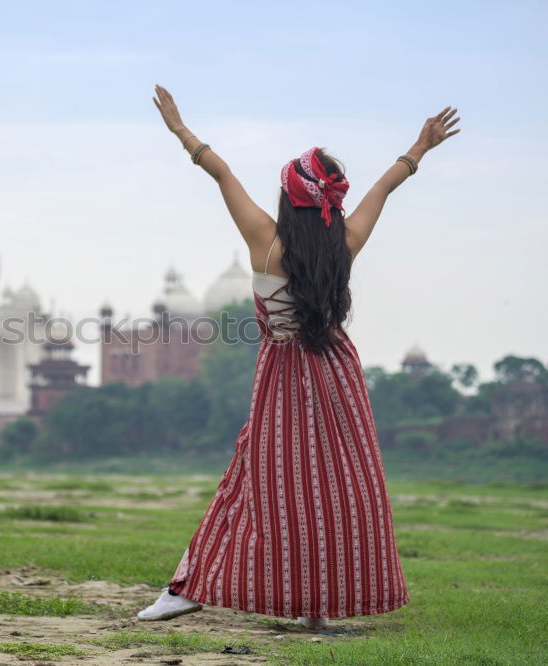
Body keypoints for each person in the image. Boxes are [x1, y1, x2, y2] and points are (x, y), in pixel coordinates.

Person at [137, 85, 460, 628]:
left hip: (284, 374)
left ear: (289, 197)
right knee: (338, 487)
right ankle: (316, 610)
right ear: (331, 202)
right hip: (337, 373)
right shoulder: (345, 242)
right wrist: (420, 147)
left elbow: (221, 173)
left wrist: (179, 129)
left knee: (262, 484)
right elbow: (384, 186)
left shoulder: (265, 238)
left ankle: (188, 587)